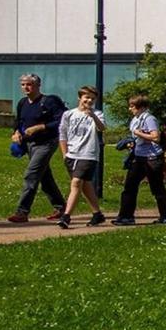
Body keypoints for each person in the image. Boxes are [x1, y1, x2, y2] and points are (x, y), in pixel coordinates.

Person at [8, 74, 69, 224]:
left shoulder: (49, 101)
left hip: (47, 142)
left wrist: (41, 127)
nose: (26, 88)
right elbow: (18, 121)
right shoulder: (22, 103)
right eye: (23, 85)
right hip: (30, 144)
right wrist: (16, 132)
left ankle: (22, 212)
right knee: (44, 177)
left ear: (37, 86)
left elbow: (62, 119)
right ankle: (61, 207)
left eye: (29, 84)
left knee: (31, 174)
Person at [112, 94, 166, 225]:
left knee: (156, 187)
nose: (130, 109)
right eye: (130, 106)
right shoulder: (135, 119)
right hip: (139, 157)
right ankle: (126, 216)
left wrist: (138, 133)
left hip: (152, 158)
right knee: (129, 186)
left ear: (142, 107)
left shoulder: (149, 119)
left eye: (133, 106)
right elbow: (138, 138)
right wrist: (131, 143)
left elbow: (155, 137)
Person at [56, 85, 107, 229]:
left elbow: (102, 128)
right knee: (85, 186)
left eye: (92, 98)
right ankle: (97, 214)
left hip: (88, 154)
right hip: (72, 154)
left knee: (76, 182)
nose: (89, 101)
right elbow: (63, 134)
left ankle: (66, 216)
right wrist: (64, 153)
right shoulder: (69, 114)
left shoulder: (97, 113)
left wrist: (93, 116)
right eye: (87, 97)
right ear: (80, 98)